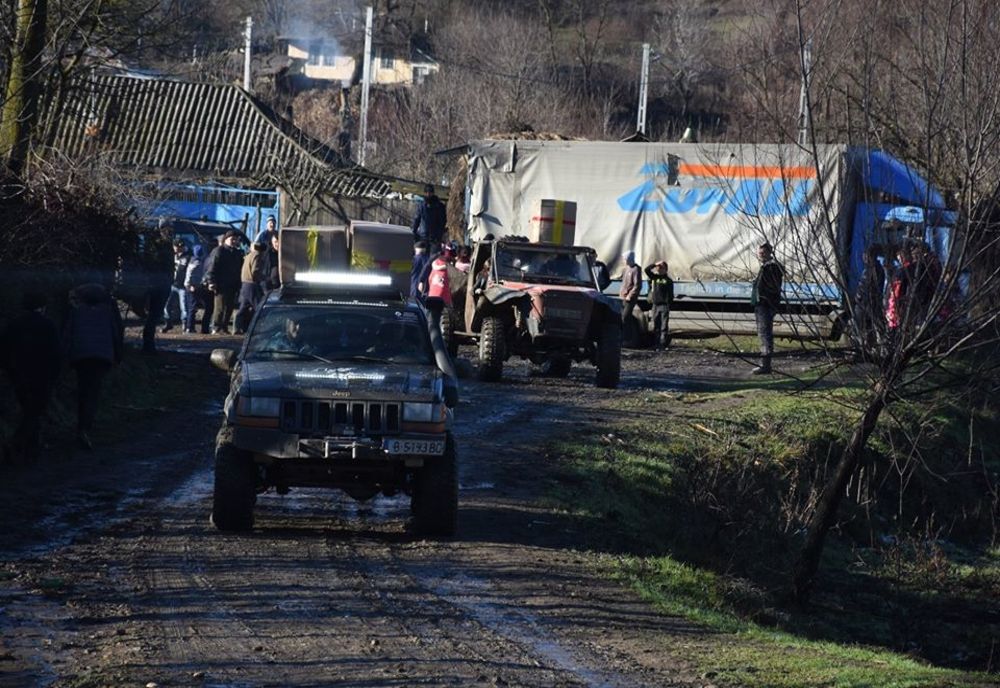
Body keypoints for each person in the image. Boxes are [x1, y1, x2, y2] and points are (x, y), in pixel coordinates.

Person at [0, 292, 61, 462]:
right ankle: (18, 444)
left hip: (18, 374)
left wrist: (8, 370)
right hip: (42, 374)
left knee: (29, 409)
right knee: (35, 412)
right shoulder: (48, 325)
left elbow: (3, 350)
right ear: (42, 306)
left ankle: (30, 448)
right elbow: (56, 353)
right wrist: (55, 373)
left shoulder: (14, 324)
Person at [64, 283, 124, 450]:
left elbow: (68, 335)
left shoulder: (76, 312)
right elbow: (116, 333)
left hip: (80, 356)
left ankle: (81, 425)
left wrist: (65, 357)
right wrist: (118, 356)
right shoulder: (107, 312)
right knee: (93, 392)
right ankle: (85, 427)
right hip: (101, 357)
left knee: (83, 390)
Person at [751, 241, 784, 374]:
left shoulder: (771, 267)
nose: (761, 255)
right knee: (763, 333)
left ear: (770, 253)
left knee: (765, 334)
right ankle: (765, 364)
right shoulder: (766, 266)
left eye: (763, 252)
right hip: (762, 304)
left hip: (765, 305)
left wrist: (765, 299)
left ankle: (765, 365)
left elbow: (772, 287)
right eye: (759, 252)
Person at [205, 230, 244, 335]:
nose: (234, 241)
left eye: (235, 239)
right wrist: (211, 281)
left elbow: (240, 269)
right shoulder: (219, 251)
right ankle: (216, 327)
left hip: (233, 284)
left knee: (229, 308)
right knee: (220, 307)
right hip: (221, 284)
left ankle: (224, 326)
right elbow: (212, 266)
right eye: (232, 239)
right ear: (226, 239)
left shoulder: (237, 253)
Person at [853, 244, 886, 355]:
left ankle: (866, 349)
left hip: (868, 303)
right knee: (868, 327)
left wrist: (859, 297)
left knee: (866, 327)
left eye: (866, 256)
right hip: (868, 303)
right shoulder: (871, 269)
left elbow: (867, 288)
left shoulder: (874, 270)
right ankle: (868, 349)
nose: (864, 258)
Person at [161, 239, 193, 333]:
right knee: (166, 304)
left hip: (182, 285)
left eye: (179, 247)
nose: (177, 249)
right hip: (172, 284)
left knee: (184, 306)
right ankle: (168, 322)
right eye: (176, 247)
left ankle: (185, 324)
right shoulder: (172, 256)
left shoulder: (188, 256)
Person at [234, 242, 265, 335]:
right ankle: (259, 328)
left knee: (243, 307)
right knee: (259, 307)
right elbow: (255, 270)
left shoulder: (248, 256)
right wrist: (261, 278)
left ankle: (237, 327)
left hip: (244, 284)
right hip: (252, 284)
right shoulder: (257, 256)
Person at [644, 260, 674, 351]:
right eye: (658, 268)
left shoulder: (668, 280)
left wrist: (668, 303)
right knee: (656, 325)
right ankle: (656, 343)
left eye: (661, 268)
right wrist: (655, 264)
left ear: (665, 269)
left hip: (664, 305)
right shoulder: (654, 278)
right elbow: (646, 270)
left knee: (664, 326)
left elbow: (670, 294)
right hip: (655, 305)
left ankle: (662, 344)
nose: (659, 269)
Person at [619, 250, 642, 325]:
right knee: (621, 316)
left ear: (629, 259)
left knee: (625, 317)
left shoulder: (636, 269)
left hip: (629, 298)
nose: (624, 261)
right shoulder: (626, 269)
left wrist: (630, 295)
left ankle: (628, 334)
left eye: (625, 259)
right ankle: (624, 332)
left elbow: (637, 285)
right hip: (623, 296)